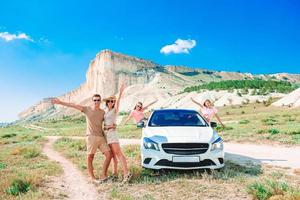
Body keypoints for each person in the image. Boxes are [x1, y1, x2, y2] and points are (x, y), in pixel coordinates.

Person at [51, 95, 112, 183]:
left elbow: (107, 122)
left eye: (98, 100)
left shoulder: (103, 112)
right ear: (92, 101)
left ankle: (103, 175)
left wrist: (112, 127)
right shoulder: (87, 109)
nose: (96, 102)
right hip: (91, 136)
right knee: (90, 157)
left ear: (100, 101)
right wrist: (60, 102)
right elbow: (73, 105)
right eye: (95, 100)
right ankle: (92, 178)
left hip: (101, 137)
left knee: (109, 155)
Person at [103, 83, 132, 183]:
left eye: (112, 101)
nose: (111, 102)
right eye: (109, 101)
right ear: (106, 103)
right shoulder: (106, 112)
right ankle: (115, 174)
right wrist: (107, 126)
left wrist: (120, 92)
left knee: (119, 153)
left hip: (112, 133)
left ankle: (126, 174)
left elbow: (118, 101)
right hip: (107, 135)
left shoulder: (115, 110)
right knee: (112, 155)